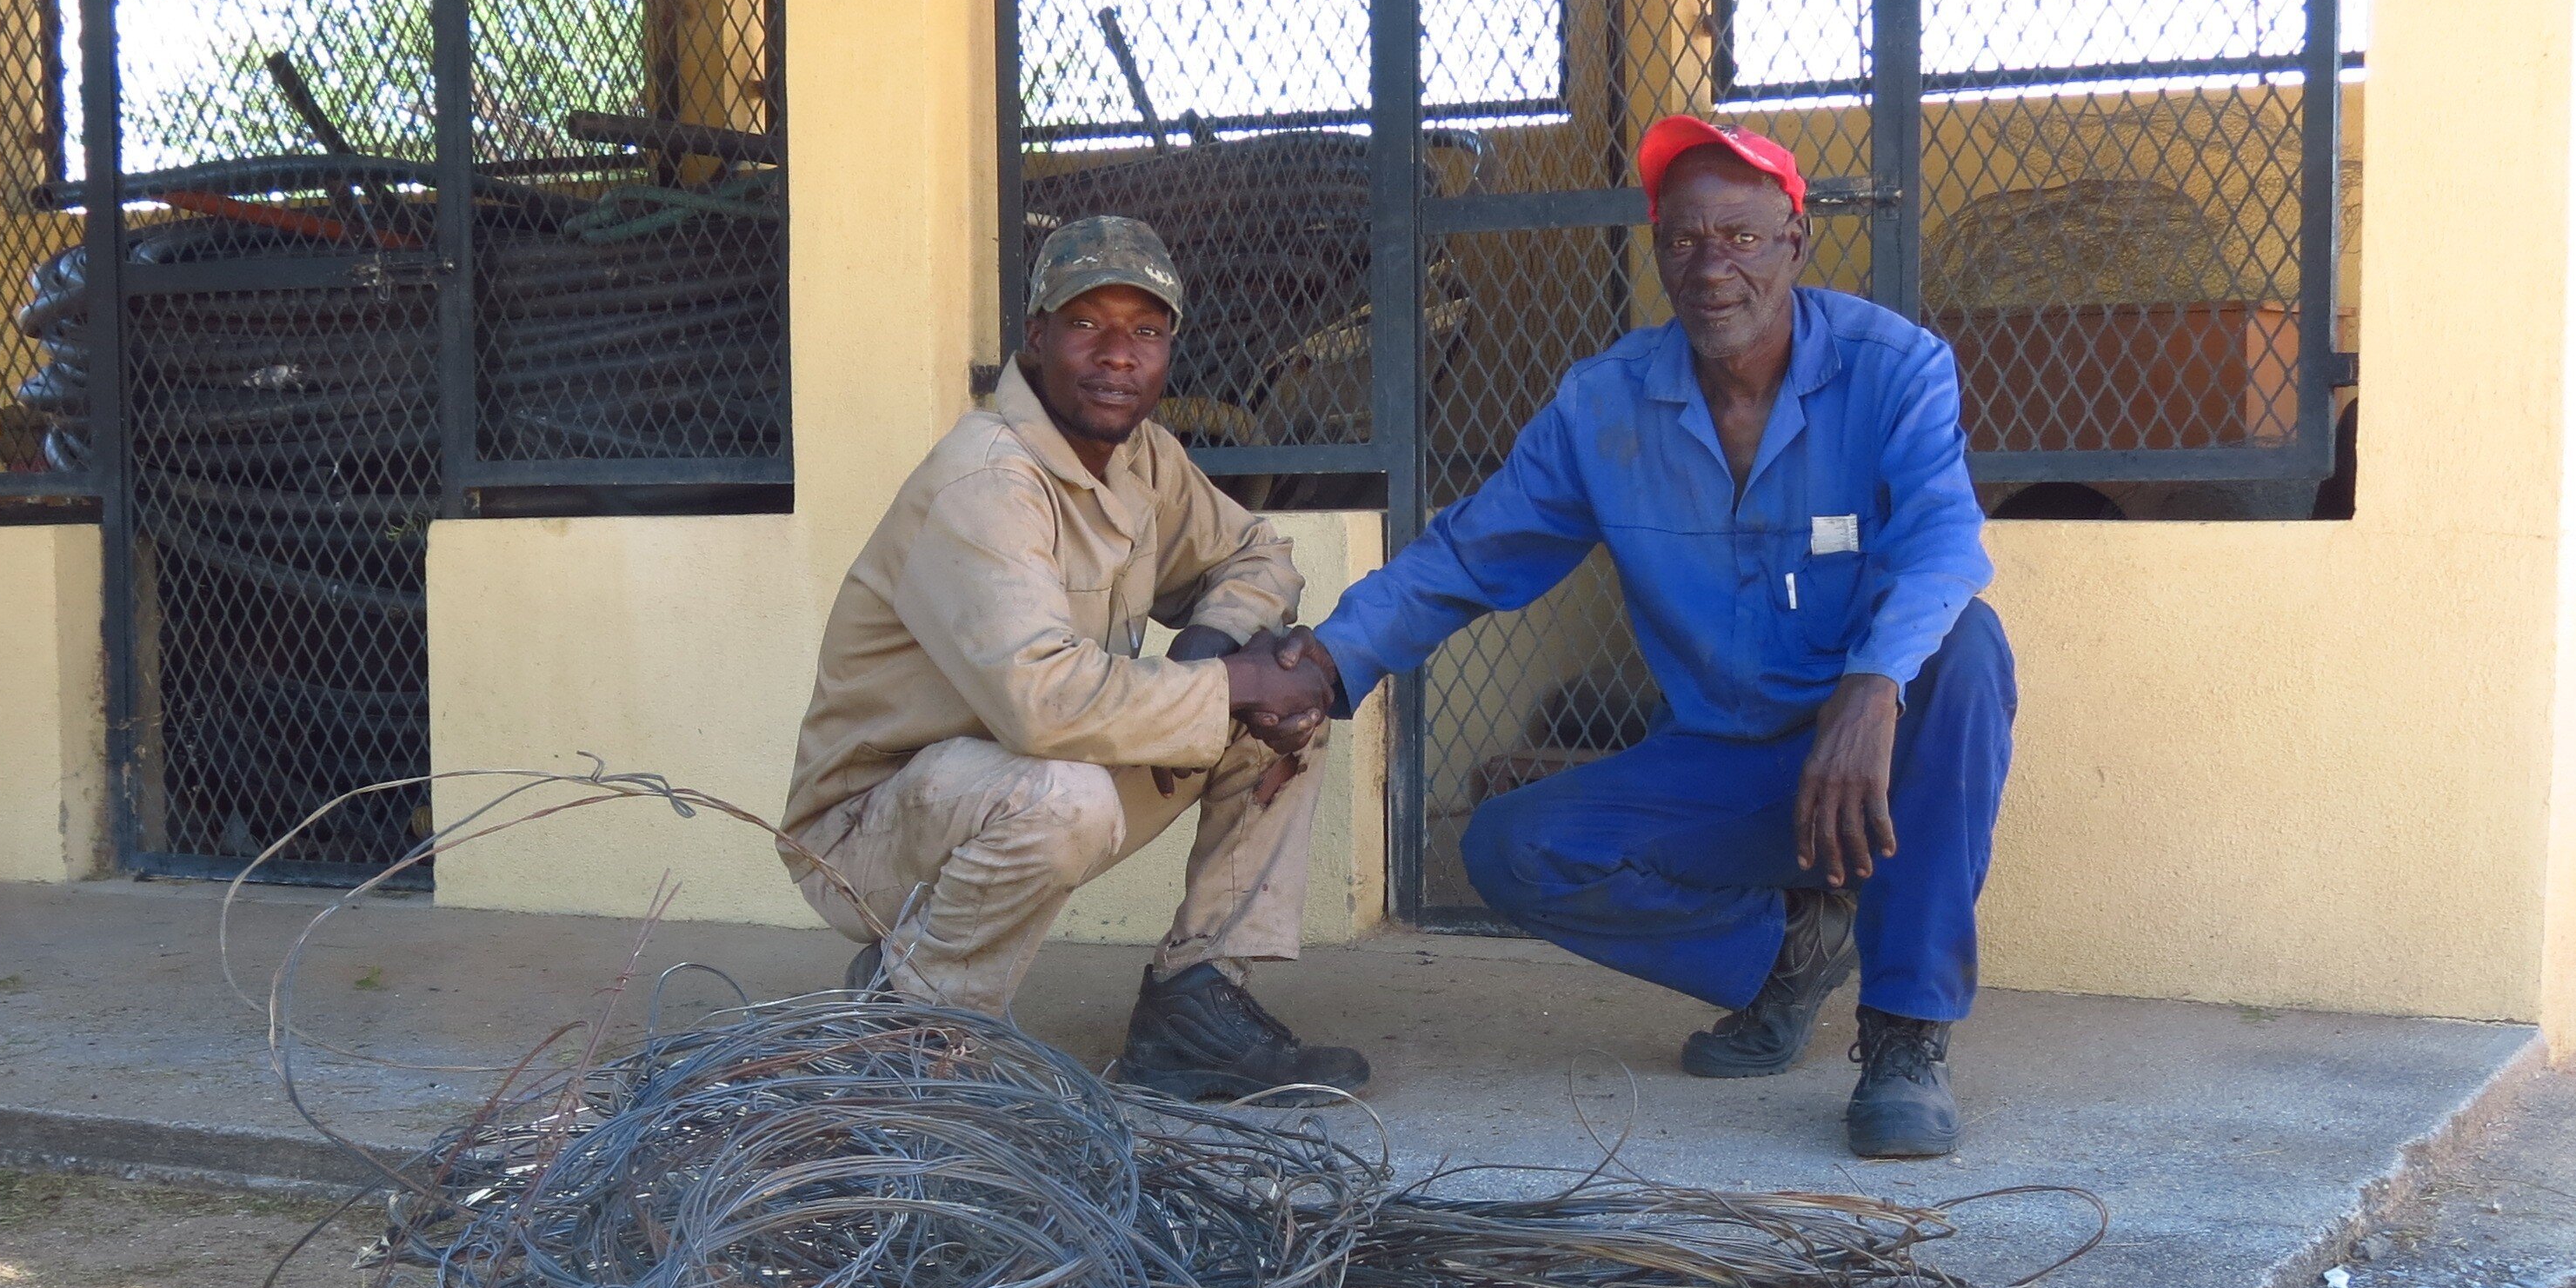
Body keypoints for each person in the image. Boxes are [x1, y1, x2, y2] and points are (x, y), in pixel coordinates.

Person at [1268, 116, 2012, 1158]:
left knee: (1967, 652)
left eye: (1743, 238)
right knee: (1514, 845)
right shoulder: (1605, 404)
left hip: (1873, 758)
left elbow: (1944, 544)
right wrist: (1332, 661)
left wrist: (1871, 687)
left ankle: (1904, 1035)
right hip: (1723, 765)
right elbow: (1473, 552)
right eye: (1684, 240)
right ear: (1659, 250)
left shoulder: (1894, 369)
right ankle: (1788, 955)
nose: (1712, 266)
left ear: (1794, 243)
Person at [779, 215, 1370, 1102]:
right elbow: (1042, 706)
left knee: (1283, 716)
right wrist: (1223, 685)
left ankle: (1195, 1007)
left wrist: (1216, 659)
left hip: (1013, 781)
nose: (1118, 354)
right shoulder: (990, 479)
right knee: (1068, 793)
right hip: (871, 827)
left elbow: (1256, 554)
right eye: (1088, 323)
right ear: (1037, 336)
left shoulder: (1143, 457)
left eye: (1146, 330)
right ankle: (915, 1026)